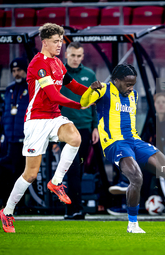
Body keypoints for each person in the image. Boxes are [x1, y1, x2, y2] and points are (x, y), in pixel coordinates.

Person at [81, 63, 165, 233]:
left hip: (134, 141)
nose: (131, 88)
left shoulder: (134, 96)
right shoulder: (104, 89)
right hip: (114, 143)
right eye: (127, 84)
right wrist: (90, 90)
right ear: (116, 81)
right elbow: (83, 102)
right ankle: (132, 224)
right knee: (137, 178)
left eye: (133, 84)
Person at [0, 23, 89, 233]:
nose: (60, 45)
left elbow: (73, 85)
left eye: (61, 41)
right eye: (56, 41)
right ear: (45, 42)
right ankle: (8, 211)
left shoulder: (58, 63)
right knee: (30, 174)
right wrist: (80, 104)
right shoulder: (37, 64)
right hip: (36, 121)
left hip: (54, 117)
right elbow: (54, 95)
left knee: (75, 138)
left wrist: (95, 92)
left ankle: (56, 182)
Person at [60, 41, 99, 220]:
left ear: (82, 57)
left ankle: (74, 208)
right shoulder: (59, 73)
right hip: (65, 129)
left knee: (79, 170)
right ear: (66, 55)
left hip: (84, 129)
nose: (75, 59)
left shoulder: (89, 74)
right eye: (72, 55)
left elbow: (95, 103)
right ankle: (75, 209)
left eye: (79, 56)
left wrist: (95, 127)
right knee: (72, 169)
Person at [2, 58, 29, 179]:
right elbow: (5, 112)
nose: (16, 73)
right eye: (13, 71)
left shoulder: (32, 88)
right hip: (11, 140)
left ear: (25, 71)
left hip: (26, 140)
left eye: (19, 70)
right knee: (13, 175)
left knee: (25, 175)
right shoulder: (9, 90)